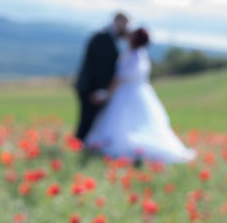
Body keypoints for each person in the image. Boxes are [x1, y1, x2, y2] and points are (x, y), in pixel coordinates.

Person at [85, 28, 196, 164]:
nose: (129, 36)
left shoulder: (132, 56)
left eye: (132, 35)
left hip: (126, 94)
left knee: (122, 122)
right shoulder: (142, 55)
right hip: (140, 93)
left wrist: (106, 94)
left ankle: (126, 149)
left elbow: (119, 79)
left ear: (135, 39)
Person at [74, 12, 129, 142]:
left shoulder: (108, 37)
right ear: (117, 21)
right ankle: (77, 146)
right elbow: (100, 67)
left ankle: (80, 145)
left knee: (90, 121)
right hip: (91, 88)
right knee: (87, 121)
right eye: (124, 24)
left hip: (92, 87)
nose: (125, 28)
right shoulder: (103, 38)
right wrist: (99, 90)